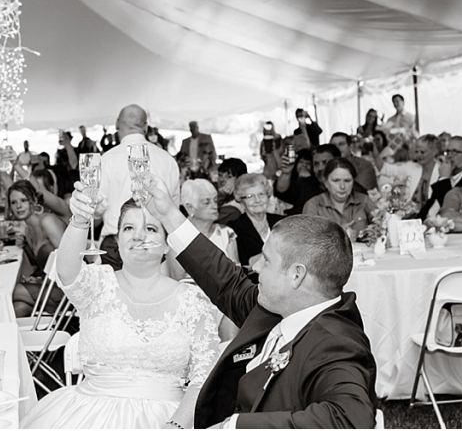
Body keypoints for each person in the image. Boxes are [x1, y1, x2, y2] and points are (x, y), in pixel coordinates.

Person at [140, 174, 378, 428]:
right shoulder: (279, 308)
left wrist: (234, 427)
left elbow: (349, 418)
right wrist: (168, 214)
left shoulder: (337, 345)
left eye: (266, 259)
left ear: (296, 275)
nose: (255, 266)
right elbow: (225, 281)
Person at [20, 187, 220, 429]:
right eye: (128, 228)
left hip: (171, 419)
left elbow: (205, 377)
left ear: (168, 244)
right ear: (118, 240)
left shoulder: (192, 300)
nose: (138, 236)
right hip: (89, 418)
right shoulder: (97, 286)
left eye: (150, 228)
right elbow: (66, 271)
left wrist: (176, 426)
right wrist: (80, 219)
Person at [95, 104, 181, 270]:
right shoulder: (167, 160)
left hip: (116, 243)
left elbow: (97, 207)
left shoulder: (107, 159)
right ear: (146, 127)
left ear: (117, 124)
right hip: (155, 242)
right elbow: (173, 210)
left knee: (114, 288)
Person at [8, 180, 67, 317]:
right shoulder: (28, 231)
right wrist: (38, 279)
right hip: (49, 288)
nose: (18, 206)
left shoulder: (47, 221)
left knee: (10, 290)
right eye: (14, 202)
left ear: (34, 201)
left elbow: (70, 260)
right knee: (18, 309)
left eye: (23, 200)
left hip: (68, 292)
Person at [165, 179, 238, 280]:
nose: (214, 206)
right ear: (190, 207)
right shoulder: (178, 237)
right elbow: (177, 279)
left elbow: (236, 276)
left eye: (215, 200)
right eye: (206, 202)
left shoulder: (227, 233)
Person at [303, 158, 375, 241]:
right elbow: (306, 240)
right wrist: (337, 234)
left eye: (347, 181)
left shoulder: (363, 200)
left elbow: (382, 225)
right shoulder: (313, 205)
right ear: (326, 182)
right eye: (336, 181)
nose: (342, 186)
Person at [227, 174, 284, 274]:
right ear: (241, 201)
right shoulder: (235, 228)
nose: (257, 200)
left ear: (268, 195)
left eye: (261, 194)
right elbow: (245, 265)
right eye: (250, 196)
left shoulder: (282, 222)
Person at [418, 136, 462, 219]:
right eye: (447, 151)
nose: (449, 156)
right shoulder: (449, 176)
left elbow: (448, 207)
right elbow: (428, 207)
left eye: (455, 152)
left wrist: (444, 178)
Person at [273, 148, 321, 216]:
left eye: (308, 163)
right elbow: (280, 191)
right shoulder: (290, 181)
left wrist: (308, 179)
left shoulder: (316, 184)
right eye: (301, 162)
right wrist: (286, 173)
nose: (304, 165)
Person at [410, 134, 442, 208]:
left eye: (422, 152)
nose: (418, 155)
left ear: (434, 152)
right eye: (416, 152)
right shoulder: (413, 168)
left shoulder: (441, 171)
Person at [216, 158, 247, 225]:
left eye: (229, 177)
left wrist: (220, 196)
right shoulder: (222, 196)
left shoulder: (234, 207)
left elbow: (206, 220)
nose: (222, 180)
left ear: (239, 180)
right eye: (220, 175)